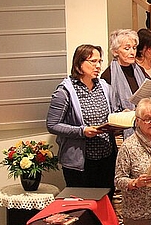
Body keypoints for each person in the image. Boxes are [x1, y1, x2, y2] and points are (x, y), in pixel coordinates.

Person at [46, 44, 117, 193]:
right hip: (80, 162)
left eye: (99, 61)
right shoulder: (65, 91)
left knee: (105, 202)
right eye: (93, 62)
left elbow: (113, 113)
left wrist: (122, 118)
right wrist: (82, 131)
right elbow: (52, 125)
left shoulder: (104, 87)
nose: (98, 66)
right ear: (79, 64)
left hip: (106, 157)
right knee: (83, 206)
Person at [101, 29, 147, 118]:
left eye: (134, 48)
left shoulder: (139, 70)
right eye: (127, 48)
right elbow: (109, 105)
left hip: (143, 117)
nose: (132, 52)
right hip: (122, 122)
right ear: (115, 51)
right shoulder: (108, 75)